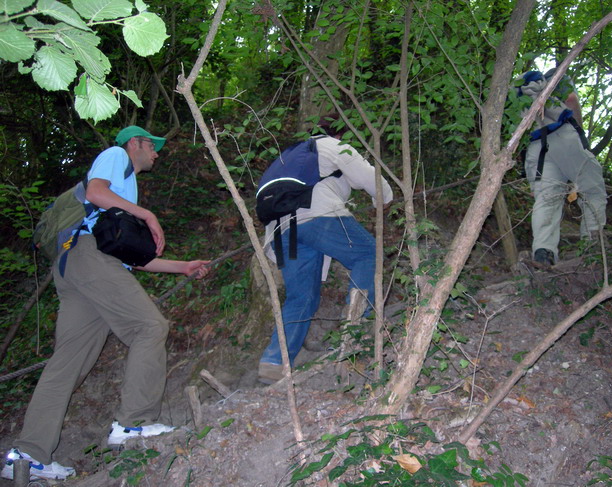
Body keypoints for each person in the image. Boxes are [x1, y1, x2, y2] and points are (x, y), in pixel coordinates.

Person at [2, 126, 211, 481]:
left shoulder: (124, 192)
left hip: (76, 268)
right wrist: (147, 214)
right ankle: (134, 423)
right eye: (152, 146)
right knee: (150, 327)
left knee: (68, 363)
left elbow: (129, 257)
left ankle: (28, 454)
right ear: (134, 144)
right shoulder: (116, 158)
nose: (156, 153)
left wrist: (182, 267)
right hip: (88, 258)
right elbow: (96, 192)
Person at [258, 114, 393, 384]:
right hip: (317, 217)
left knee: (302, 297)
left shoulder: (291, 155)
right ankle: (357, 329)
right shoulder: (332, 146)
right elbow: (373, 181)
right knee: (368, 253)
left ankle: (274, 361)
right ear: (341, 133)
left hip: (282, 231)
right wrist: (386, 199)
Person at [520, 67, 607, 266]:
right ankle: (592, 247)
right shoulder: (558, 81)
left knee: (546, 199)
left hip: (535, 147)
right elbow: (571, 100)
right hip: (563, 138)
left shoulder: (523, 93)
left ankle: (544, 252)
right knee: (593, 190)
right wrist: (580, 132)